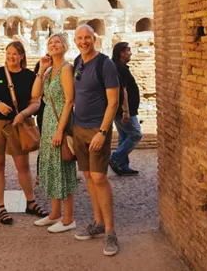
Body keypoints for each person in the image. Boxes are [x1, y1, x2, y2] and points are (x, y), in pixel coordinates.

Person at [0, 41, 49, 225]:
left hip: (19, 124)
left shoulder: (29, 76)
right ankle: (1, 207)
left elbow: (36, 101)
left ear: (22, 56)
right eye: (8, 53)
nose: (11, 57)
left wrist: (24, 114)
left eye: (15, 54)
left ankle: (31, 202)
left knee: (23, 165)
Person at [70, 25, 122, 256]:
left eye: (87, 38)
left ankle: (111, 231)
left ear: (94, 39)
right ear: (75, 40)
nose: (84, 41)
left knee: (100, 177)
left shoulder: (105, 64)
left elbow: (113, 102)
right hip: (78, 127)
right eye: (80, 38)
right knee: (89, 176)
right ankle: (98, 223)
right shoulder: (77, 62)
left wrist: (103, 132)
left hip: (97, 128)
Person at [30, 33, 78, 233]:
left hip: (60, 123)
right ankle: (54, 214)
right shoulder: (49, 70)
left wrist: (60, 130)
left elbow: (69, 101)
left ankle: (68, 219)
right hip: (48, 122)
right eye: (51, 42)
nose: (54, 44)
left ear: (65, 46)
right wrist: (41, 69)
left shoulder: (67, 69)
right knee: (50, 168)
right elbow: (35, 95)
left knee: (63, 169)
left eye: (57, 42)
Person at [110, 42, 143, 176]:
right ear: (121, 53)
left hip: (122, 110)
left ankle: (123, 166)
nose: (130, 53)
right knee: (136, 134)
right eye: (128, 50)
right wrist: (126, 111)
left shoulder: (119, 67)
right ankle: (115, 158)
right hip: (123, 110)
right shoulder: (119, 68)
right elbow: (122, 90)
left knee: (124, 137)